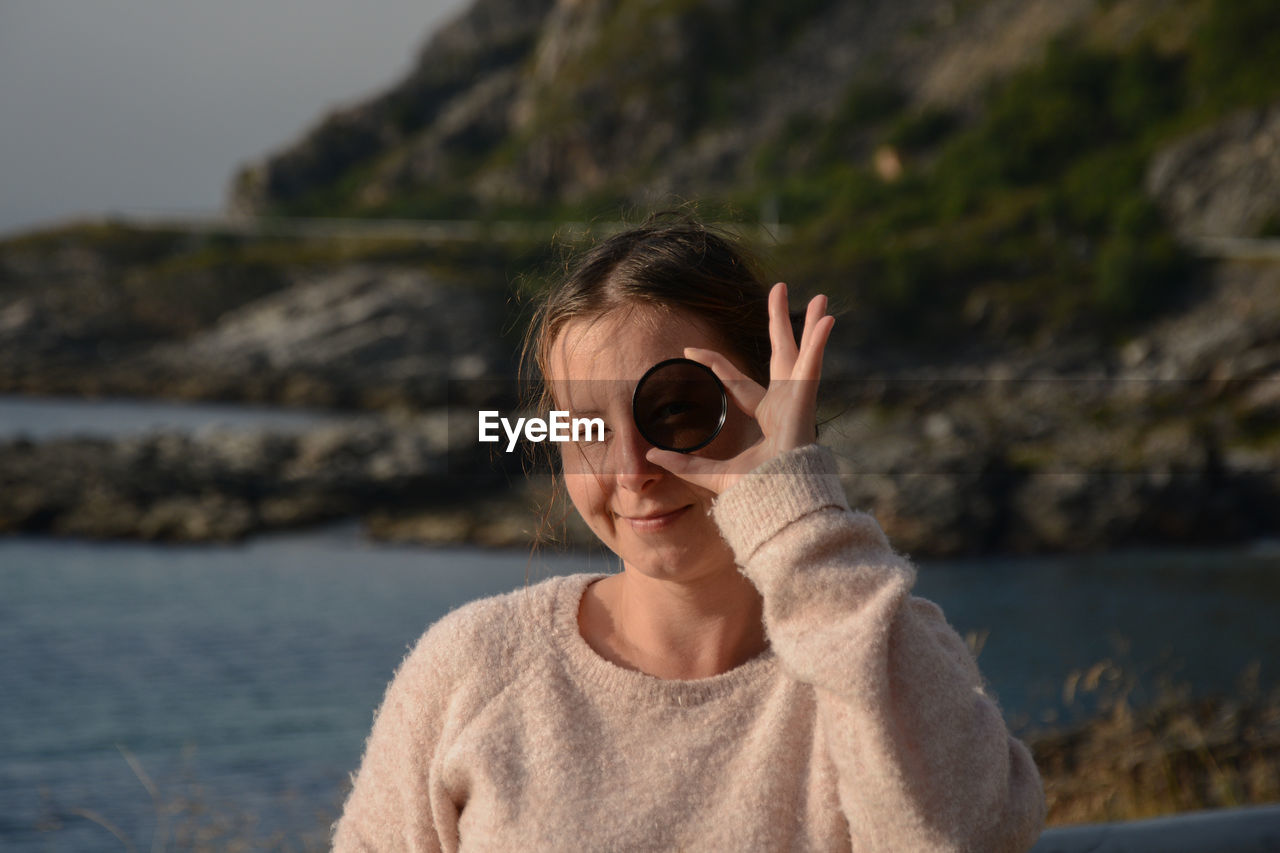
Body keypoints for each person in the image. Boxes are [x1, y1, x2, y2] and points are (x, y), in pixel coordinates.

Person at [332, 215, 1046, 851]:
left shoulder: (871, 653)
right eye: (585, 427)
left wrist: (798, 511)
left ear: (767, 404)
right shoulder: (473, 666)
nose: (632, 469)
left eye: (674, 411)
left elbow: (960, 838)